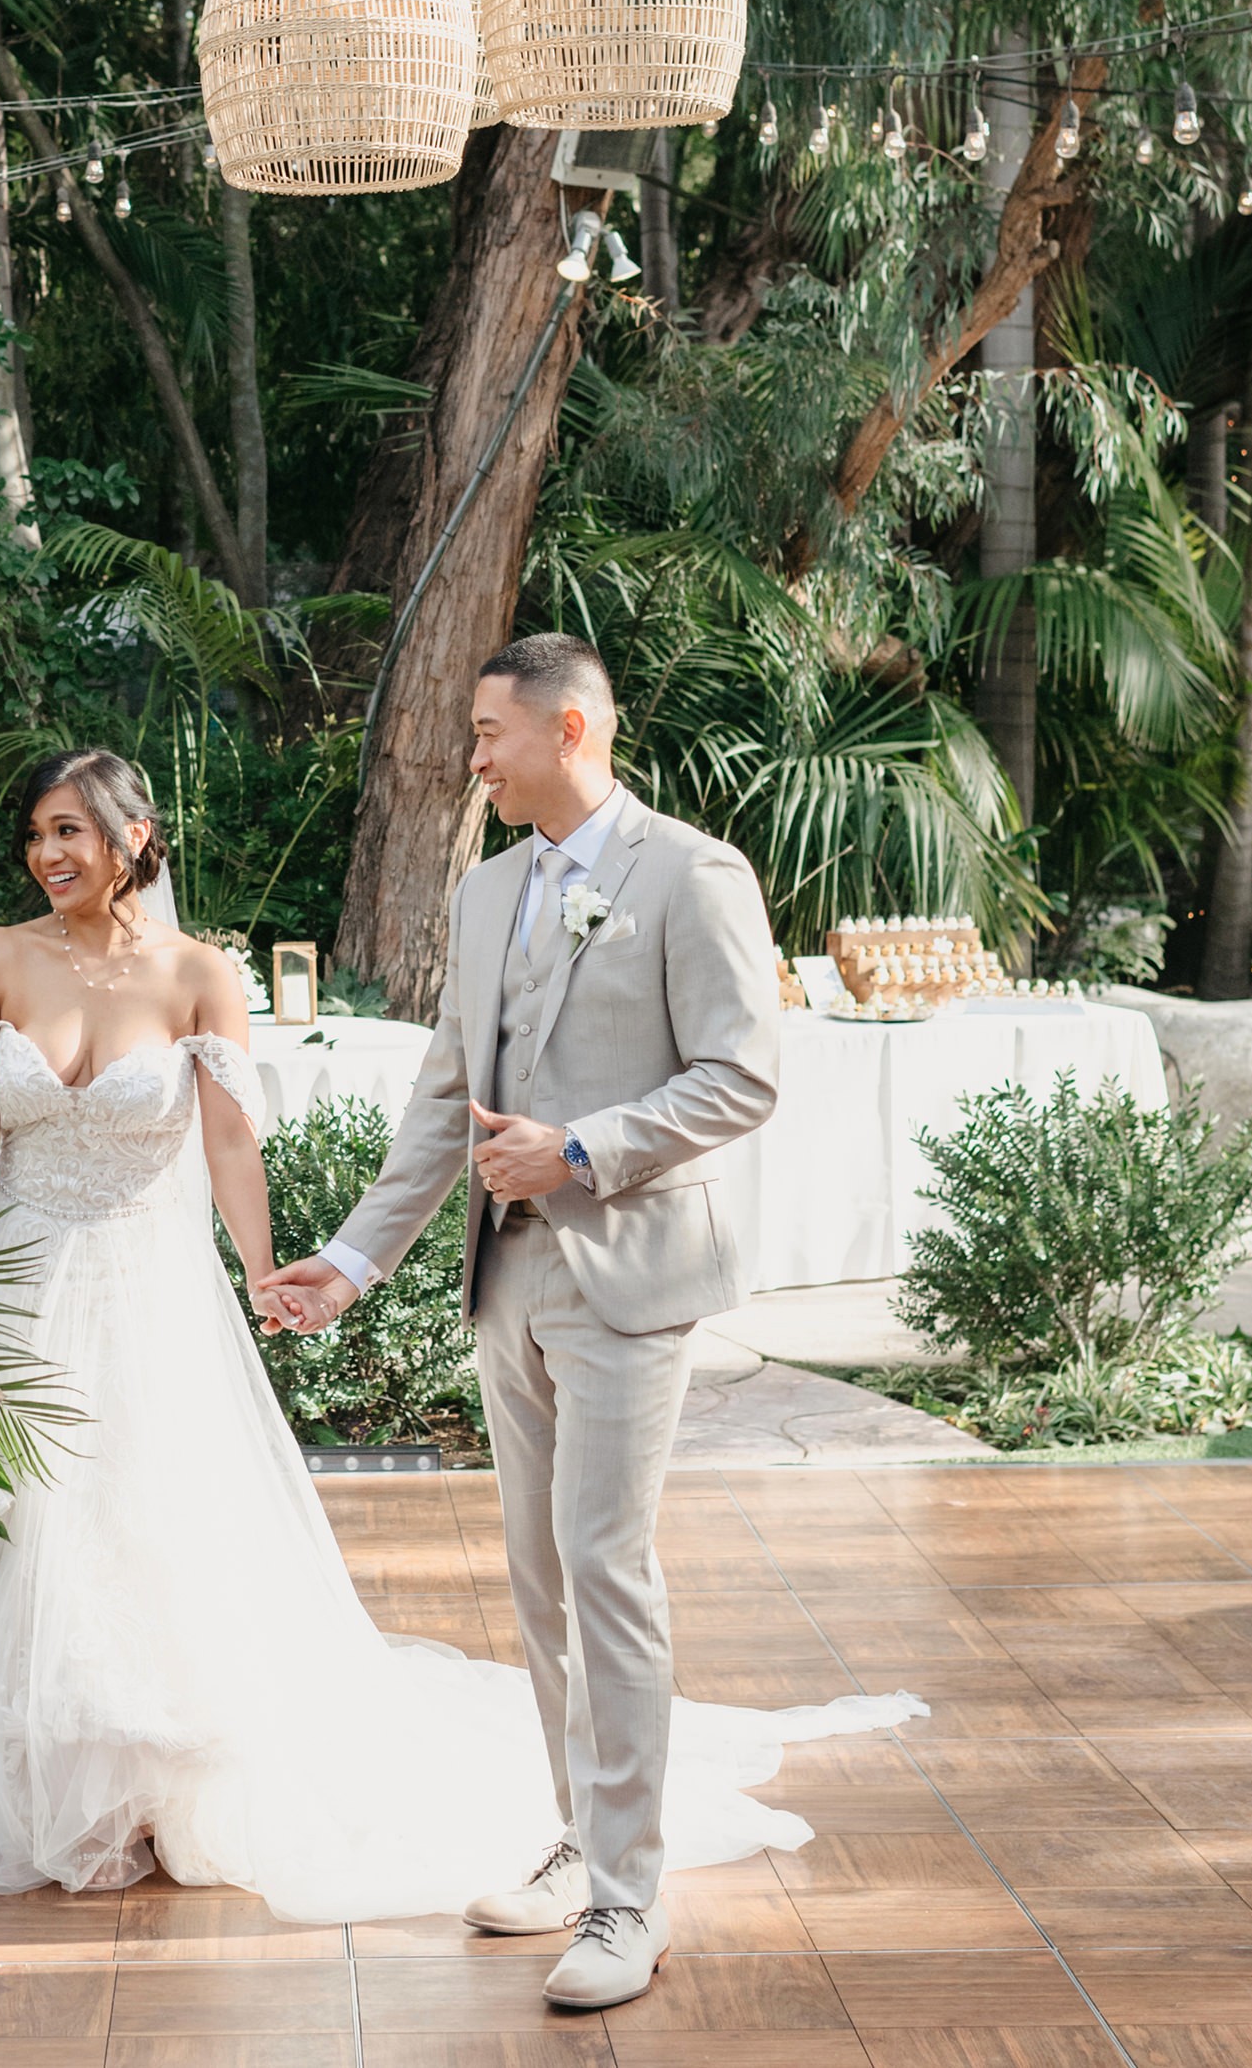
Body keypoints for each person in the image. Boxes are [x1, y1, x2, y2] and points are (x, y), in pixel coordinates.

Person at [0, 735, 921, 1940]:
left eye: (73, 829)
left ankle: (153, 1786)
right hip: (15, 1280)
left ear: (133, 839)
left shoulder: (201, 974)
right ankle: (14, 1780)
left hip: (153, 1292)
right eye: (39, 832)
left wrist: (266, 1270)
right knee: (8, 1522)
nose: (50, 852)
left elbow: (226, 1143)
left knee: (145, 1527)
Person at [261, 633, 782, 2010]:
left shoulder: (689, 871)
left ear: (567, 727)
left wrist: (581, 1147)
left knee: (603, 1566)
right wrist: (350, 1261)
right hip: (510, 1285)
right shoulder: (486, 889)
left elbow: (742, 1073)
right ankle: (577, 1841)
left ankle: (628, 1899)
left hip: (630, 1272)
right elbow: (446, 1096)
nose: (472, 756)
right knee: (541, 1578)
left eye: (489, 732)